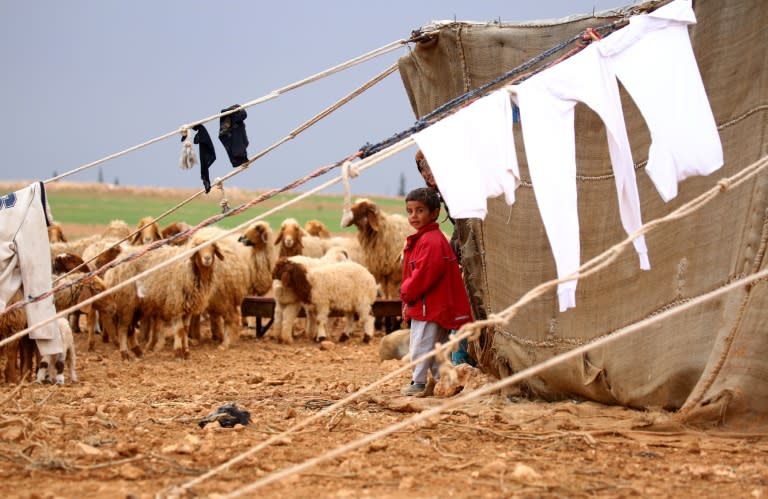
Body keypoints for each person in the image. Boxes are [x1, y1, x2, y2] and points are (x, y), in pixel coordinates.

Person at [400, 187, 473, 396]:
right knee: (437, 347)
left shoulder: (431, 242)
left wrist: (405, 291)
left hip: (428, 306)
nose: (414, 216)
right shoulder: (427, 239)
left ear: (434, 213)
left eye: (420, 210)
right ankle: (443, 382)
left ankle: (419, 382)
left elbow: (424, 274)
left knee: (421, 346)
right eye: (410, 211)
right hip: (434, 305)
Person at [414, 150, 475, 367]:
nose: (428, 173)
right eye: (423, 169)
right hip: (463, 245)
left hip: (472, 245)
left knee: (463, 300)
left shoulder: (455, 189)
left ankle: (462, 358)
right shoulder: (442, 193)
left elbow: (467, 223)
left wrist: (456, 250)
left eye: (431, 167)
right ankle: (457, 358)